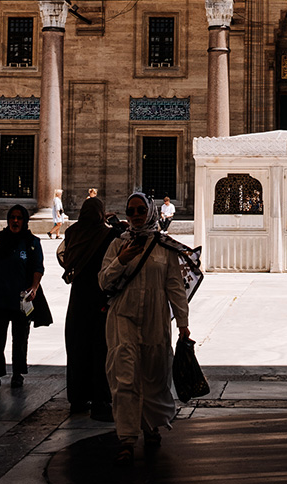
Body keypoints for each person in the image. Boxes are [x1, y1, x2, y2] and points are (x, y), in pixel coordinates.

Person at [99, 190, 190, 465]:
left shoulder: (165, 247)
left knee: (153, 375)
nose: (136, 216)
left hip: (155, 318)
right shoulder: (117, 245)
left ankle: (151, 427)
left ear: (150, 212)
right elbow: (103, 281)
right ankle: (126, 438)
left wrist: (183, 323)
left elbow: (175, 287)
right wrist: (122, 260)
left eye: (141, 211)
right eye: (131, 212)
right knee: (125, 377)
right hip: (122, 316)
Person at [62, 195, 119, 420]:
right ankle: (101, 401)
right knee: (101, 350)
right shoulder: (108, 234)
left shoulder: (71, 233)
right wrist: (112, 223)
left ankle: (77, 399)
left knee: (77, 349)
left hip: (77, 300)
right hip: (100, 300)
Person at [0, 205, 45, 392]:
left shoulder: (31, 242)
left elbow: (38, 267)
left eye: (19, 218)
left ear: (24, 221)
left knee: (20, 337)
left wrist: (34, 288)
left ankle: (17, 374)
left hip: (21, 298)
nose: (15, 221)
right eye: (12, 218)